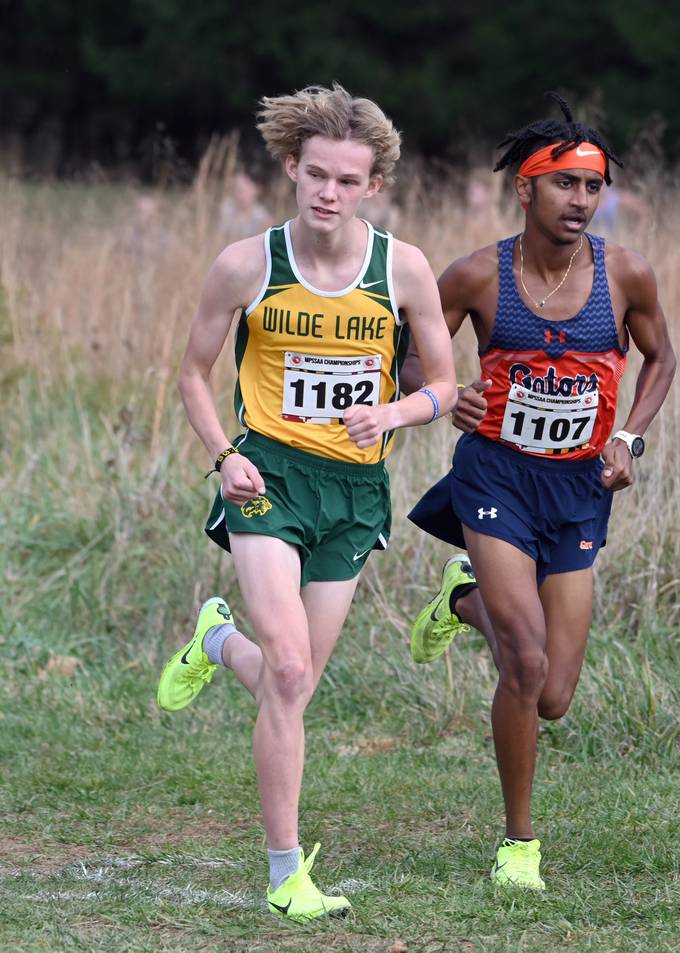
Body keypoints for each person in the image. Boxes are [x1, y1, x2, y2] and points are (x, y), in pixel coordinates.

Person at [156, 83, 457, 922]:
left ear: (373, 184)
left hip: (356, 494)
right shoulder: (247, 264)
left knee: (293, 685)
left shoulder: (403, 268)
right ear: (291, 167)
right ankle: (287, 874)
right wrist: (223, 455)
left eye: (347, 179)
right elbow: (191, 373)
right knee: (288, 669)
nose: (328, 191)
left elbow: (444, 384)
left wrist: (392, 412)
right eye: (315, 173)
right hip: (268, 477)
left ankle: (216, 639)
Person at [402, 92, 677, 891]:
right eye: (564, 185)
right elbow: (411, 356)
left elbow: (661, 359)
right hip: (495, 478)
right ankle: (518, 844)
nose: (580, 202)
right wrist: (445, 394)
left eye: (591, 188)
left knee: (554, 693)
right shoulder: (477, 275)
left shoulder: (625, 273)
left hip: (580, 486)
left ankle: (462, 600)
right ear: (526, 189)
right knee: (523, 663)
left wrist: (630, 434)